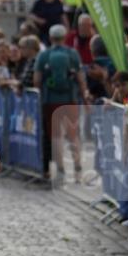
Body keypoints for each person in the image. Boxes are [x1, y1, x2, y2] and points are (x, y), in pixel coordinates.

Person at [34, 24, 89, 183]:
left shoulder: (44, 55)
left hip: (50, 101)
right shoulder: (72, 54)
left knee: (55, 136)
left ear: (51, 38)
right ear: (64, 37)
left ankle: (61, 170)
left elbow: (37, 80)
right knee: (73, 134)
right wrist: (84, 96)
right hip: (70, 99)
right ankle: (78, 168)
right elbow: (80, 78)